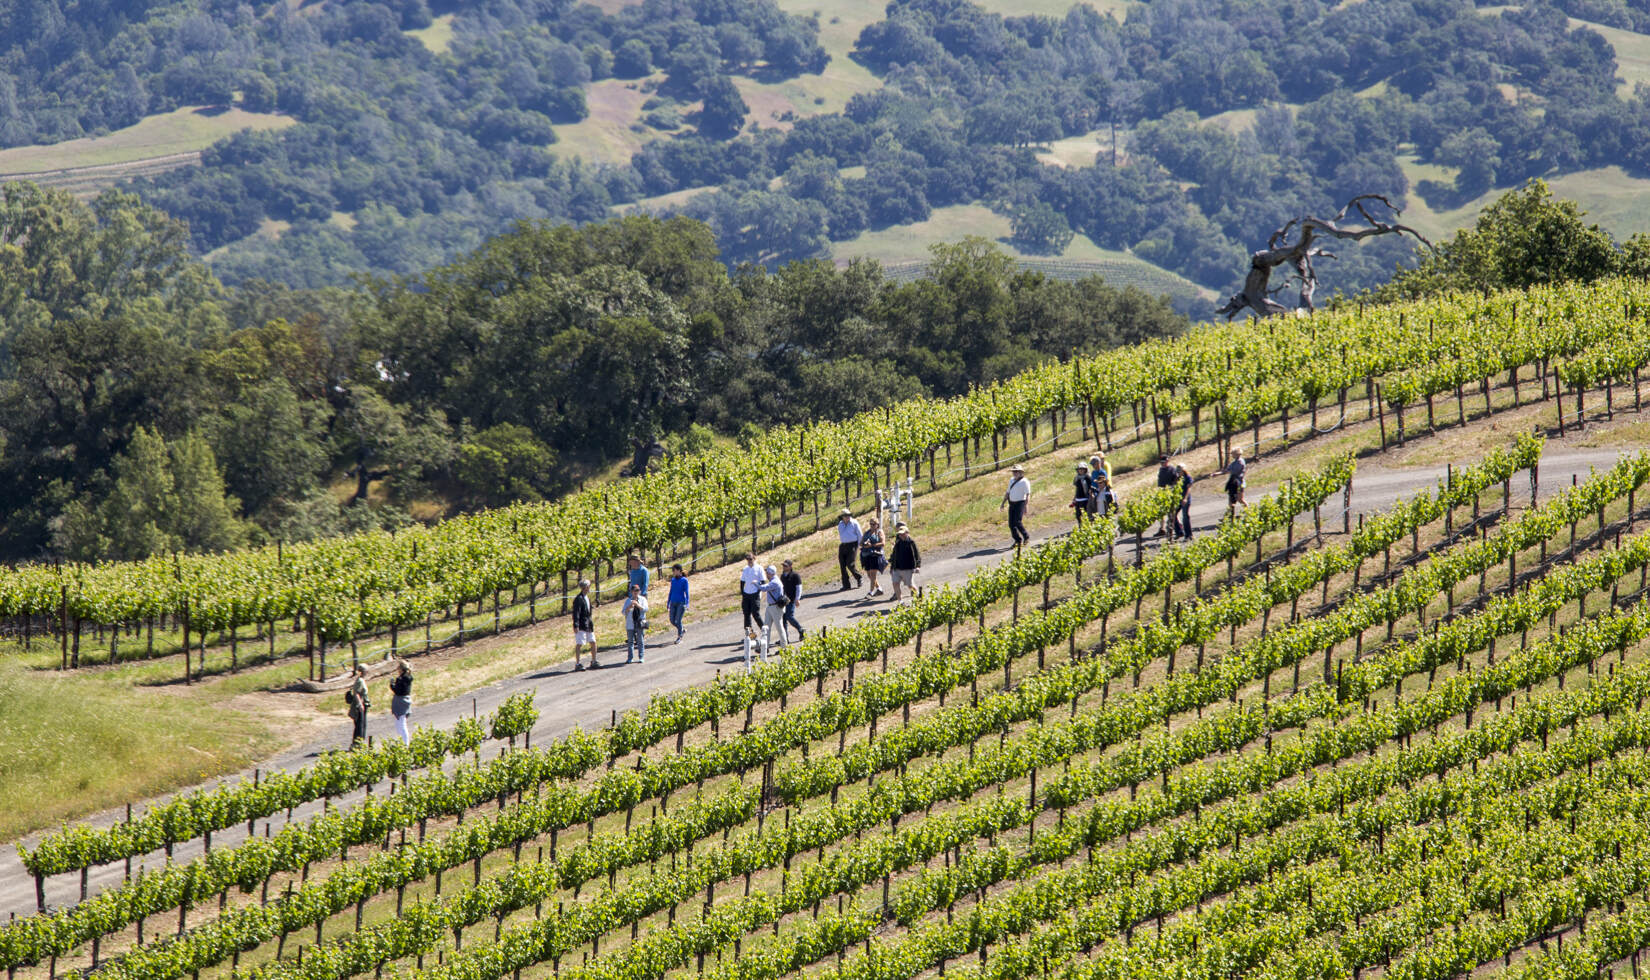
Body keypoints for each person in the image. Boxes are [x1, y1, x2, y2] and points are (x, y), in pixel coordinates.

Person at [888, 523, 921, 602]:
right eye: (900, 534)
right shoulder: (898, 542)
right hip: (897, 568)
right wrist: (892, 567)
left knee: (910, 585)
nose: (901, 535)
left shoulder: (911, 542)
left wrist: (917, 566)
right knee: (895, 583)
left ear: (907, 533)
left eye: (903, 534)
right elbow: (894, 555)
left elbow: (917, 555)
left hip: (907, 568)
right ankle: (900, 602)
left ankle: (918, 597)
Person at [1001, 464, 1031, 548]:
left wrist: (1026, 506)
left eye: (1016, 471)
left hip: (1020, 503)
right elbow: (1008, 492)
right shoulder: (1011, 480)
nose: (1014, 473)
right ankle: (1017, 540)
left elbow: (1028, 494)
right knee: (1011, 524)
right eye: (1013, 471)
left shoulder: (1024, 481)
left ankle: (1026, 536)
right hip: (1012, 503)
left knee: (1017, 522)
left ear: (1021, 472)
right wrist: (1003, 503)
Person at [761, 565, 790, 650]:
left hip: (775, 608)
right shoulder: (773, 581)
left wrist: (755, 583)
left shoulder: (775, 582)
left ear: (770, 573)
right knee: (766, 628)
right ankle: (765, 647)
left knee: (779, 628)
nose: (766, 574)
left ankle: (785, 647)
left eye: (767, 572)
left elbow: (763, 588)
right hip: (770, 607)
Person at [572, 578, 598, 670]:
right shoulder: (578, 599)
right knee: (579, 644)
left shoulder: (586, 597)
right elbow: (576, 613)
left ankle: (594, 661)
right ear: (585, 587)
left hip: (588, 624)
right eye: (588, 586)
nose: (589, 587)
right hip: (582, 624)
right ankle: (578, 664)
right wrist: (576, 625)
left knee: (593, 642)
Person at [835, 509, 865, 591]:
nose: (847, 517)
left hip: (852, 545)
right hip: (843, 545)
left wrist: (860, 546)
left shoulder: (854, 523)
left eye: (848, 515)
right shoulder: (840, 524)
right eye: (845, 515)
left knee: (850, 564)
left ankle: (859, 577)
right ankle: (846, 585)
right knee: (842, 566)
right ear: (842, 517)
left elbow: (860, 535)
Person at [621, 583, 648, 664]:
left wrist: (638, 605)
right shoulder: (628, 601)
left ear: (639, 591)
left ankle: (641, 657)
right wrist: (629, 607)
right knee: (630, 641)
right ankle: (630, 658)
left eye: (637, 590)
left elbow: (646, 609)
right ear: (631, 592)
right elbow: (623, 612)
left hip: (639, 622)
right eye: (634, 591)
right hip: (630, 623)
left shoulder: (643, 599)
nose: (635, 592)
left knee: (640, 640)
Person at [859, 518, 886, 597]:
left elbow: (883, 543)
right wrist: (865, 544)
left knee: (873, 574)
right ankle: (879, 588)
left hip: (875, 555)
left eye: (873, 524)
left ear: (877, 525)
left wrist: (873, 545)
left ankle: (871, 592)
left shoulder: (879, 532)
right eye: (870, 524)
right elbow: (861, 543)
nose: (872, 526)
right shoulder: (866, 532)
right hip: (867, 555)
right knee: (869, 575)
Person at [779, 559, 805, 641]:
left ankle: (800, 629)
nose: (784, 567)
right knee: (783, 619)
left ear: (790, 567)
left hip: (792, 600)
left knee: (789, 616)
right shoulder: (782, 576)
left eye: (785, 566)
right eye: (783, 565)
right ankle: (785, 637)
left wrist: (797, 599)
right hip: (784, 601)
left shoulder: (795, 575)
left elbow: (799, 588)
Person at [388, 661, 413, 745]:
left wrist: (392, 684)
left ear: (401, 669)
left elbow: (397, 691)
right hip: (406, 700)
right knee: (401, 723)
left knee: (401, 724)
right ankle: (404, 742)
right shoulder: (409, 677)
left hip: (400, 702)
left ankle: (405, 744)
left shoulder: (400, 679)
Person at [739, 553, 765, 630]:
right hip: (746, 594)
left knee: (755, 614)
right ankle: (750, 635)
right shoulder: (745, 569)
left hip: (755, 593)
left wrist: (758, 591)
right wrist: (742, 592)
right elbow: (742, 581)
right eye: (747, 559)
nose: (749, 561)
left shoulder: (759, 568)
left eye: (750, 559)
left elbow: (763, 581)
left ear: (754, 558)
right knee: (746, 614)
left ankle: (764, 630)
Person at [346, 664, 370, 747]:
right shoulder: (360, 681)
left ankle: (358, 743)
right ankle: (357, 744)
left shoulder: (360, 680)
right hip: (359, 706)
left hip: (362, 704)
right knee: (359, 725)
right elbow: (356, 694)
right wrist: (360, 705)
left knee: (361, 725)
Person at [666, 565, 689, 645]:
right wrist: (668, 602)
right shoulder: (673, 580)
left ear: (679, 570)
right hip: (673, 602)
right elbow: (671, 591)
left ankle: (679, 637)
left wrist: (687, 603)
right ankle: (681, 629)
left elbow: (686, 592)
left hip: (681, 602)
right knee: (672, 620)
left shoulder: (684, 580)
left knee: (678, 620)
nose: (673, 572)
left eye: (674, 570)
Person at [1156, 455, 1178, 536]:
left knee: (1171, 512)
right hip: (1162, 492)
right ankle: (1162, 528)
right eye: (1161, 463)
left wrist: (1172, 489)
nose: (1162, 464)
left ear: (1167, 461)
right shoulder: (1161, 470)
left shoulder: (1172, 469)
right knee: (1161, 512)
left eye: (1163, 462)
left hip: (1170, 491)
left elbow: (1176, 480)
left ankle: (1173, 528)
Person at [1225, 447, 1248, 519]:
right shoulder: (1234, 462)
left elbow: (1234, 472)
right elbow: (1227, 470)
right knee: (1231, 499)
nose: (1232, 455)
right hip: (1233, 483)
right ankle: (1231, 515)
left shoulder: (1240, 462)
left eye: (1233, 454)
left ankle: (1248, 511)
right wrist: (1217, 473)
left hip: (1239, 483)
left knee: (1240, 499)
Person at [1173, 463, 1194, 540]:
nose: (1178, 472)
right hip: (1178, 499)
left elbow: (1189, 488)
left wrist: (1185, 498)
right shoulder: (1177, 478)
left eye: (1180, 471)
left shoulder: (1187, 477)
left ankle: (1189, 535)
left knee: (1185, 517)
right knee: (1173, 515)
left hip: (1186, 499)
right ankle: (1179, 532)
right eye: (1178, 471)